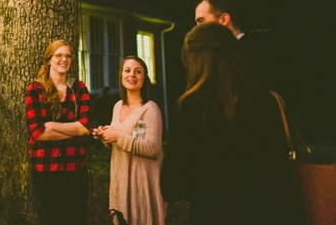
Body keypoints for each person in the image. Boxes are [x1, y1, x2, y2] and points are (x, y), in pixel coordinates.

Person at [160, 23, 302, 225]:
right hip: (270, 214)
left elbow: (172, 186)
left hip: (214, 215)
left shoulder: (191, 107)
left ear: (194, 59)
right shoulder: (267, 101)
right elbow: (279, 170)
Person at [25, 40, 92, 225]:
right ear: (48, 60)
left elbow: (86, 127)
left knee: (76, 217)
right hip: (46, 166)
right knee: (54, 218)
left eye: (68, 55)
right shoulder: (35, 89)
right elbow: (37, 132)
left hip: (75, 165)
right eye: (59, 55)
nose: (64, 59)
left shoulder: (78, 88)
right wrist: (75, 129)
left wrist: (52, 125)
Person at [93, 57, 165, 225]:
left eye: (137, 71)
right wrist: (105, 136)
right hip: (121, 182)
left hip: (141, 186)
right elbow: (119, 140)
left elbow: (152, 148)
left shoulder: (150, 109)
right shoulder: (117, 106)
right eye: (127, 70)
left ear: (144, 78)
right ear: (121, 76)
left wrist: (117, 136)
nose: (132, 75)